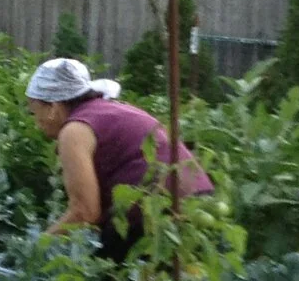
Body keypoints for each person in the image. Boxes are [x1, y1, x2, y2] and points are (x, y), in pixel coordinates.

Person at [23, 57, 215, 262]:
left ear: (52, 108)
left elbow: (85, 213)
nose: (36, 123)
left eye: (35, 112)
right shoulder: (112, 110)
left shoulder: (74, 131)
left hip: (155, 213)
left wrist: (38, 248)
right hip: (199, 205)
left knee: (102, 271)